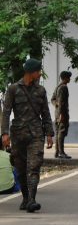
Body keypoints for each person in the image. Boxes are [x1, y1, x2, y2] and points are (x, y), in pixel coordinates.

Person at [1, 58, 55, 212]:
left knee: (34, 166)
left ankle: (32, 199)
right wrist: (4, 133)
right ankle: (25, 198)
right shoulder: (13, 89)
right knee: (20, 168)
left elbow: (46, 113)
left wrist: (49, 134)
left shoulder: (41, 91)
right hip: (18, 135)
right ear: (31, 72)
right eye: (38, 71)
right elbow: (6, 113)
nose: (39, 74)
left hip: (36, 135)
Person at [51, 70, 72, 159]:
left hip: (57, 113)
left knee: (58, 132)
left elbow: (53, 99)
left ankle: (57, 152)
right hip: (62, 113)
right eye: (69, 77)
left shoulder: (57, 87)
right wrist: (61, 114)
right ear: (66, 78)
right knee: (61, 132)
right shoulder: (63, 88)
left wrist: (56, 106)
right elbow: (61, 102)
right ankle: (61, 152)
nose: (70, 79)